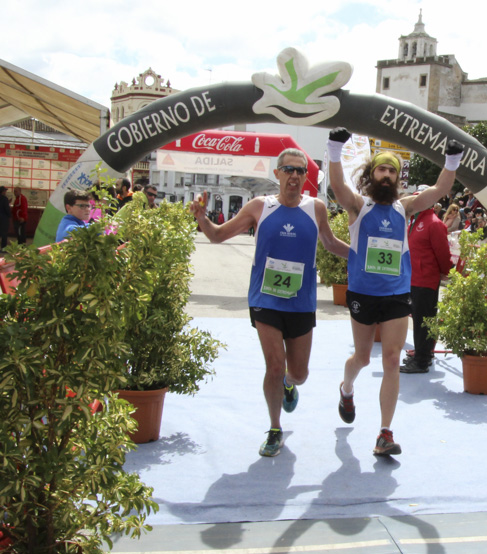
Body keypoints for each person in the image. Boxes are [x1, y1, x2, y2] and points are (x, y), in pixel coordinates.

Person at [189, 148, 349, 458]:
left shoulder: (316, 208)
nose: (294, 175)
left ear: (306, 177)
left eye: (300, 171)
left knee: (298, 373)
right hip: (266, 299)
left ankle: (291, 384)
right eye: (288, 169)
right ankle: (275, 428)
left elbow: (329, 243)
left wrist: (360, 256)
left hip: (301, 302)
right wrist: (201, 218)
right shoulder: (260, 206)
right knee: (274, 365)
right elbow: (219, 236)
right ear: (276, 173)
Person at [326, 126, 464, 456]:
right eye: (382, 169)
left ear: (398, 178)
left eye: (392, 170)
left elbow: (442, 188)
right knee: (361, 357)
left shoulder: (406, 208)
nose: (387, 175)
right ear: (372, 175)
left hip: (397, 294)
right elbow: (338, 187)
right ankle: (347, 389)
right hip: (362, 293)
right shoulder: (359, 206)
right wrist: (333, 150)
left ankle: (384, 433)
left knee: (391, 359)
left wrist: (452, 158)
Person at [400, 197, 452, 374]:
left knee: (424, 321)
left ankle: (422, 360)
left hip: (425, 279)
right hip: (415, 278)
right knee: (421, 319)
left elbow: (443, 253)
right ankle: (423, 354)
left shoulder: (433, 223)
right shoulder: (417, 221)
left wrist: (446, 270)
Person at [0, 185, 11, 252]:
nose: (5, 192)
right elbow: (6, 209)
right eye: (5, 190)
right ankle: (3, 248)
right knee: (4, 234)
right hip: (4, 218)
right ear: (2, 191)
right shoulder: (4, 199)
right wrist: (9, 215)